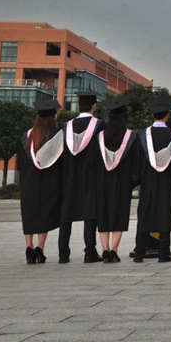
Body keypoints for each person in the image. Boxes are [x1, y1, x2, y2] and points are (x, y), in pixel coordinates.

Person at [17, 100, 65, 265]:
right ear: (53, 117)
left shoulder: (28, 136)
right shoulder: (57, 136)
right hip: (49, 183)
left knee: (29, 214)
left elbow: (20, 164)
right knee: (44, 215)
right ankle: (40, 248)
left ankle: (28, 247)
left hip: (29, 182)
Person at [133, 95, 171, 263]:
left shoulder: (142, 135)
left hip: (147, 182)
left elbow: (137, 161)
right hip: (167, 182)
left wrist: (137, 179)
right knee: (165, 214)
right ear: (167, 115)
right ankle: (163, 253)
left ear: (153, 115)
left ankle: (139, 253)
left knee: (145, 215)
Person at [59, 91, 104, 264]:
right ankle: (90, 251)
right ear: (94, 106)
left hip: (69, 176)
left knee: (66, 212)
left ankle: (63, 253)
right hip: (91, 175)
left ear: (78, 106)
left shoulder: (65, 127)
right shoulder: (99, 126)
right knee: (90, 212)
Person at [95, 95, 138, 263]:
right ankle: (114, 249)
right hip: (122, 182)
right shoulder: (130, 137)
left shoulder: (100, 137)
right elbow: (136, 163)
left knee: (103, 213)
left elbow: (94, 161)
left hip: (102, 181)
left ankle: (104, 249)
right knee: (119, 214)